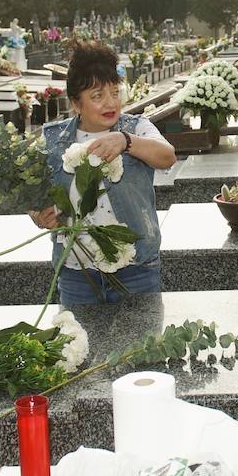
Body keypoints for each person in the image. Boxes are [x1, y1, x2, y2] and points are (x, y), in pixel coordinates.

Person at [29, 40, 177, 305]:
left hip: (136, 269)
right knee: (78, 333)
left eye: (115, 92)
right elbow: (30, 191)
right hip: (77, 273)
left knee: (141, 334)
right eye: (97, 96)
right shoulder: (53, 139)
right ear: (76, 103)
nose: (110, 103)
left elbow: (167, 157)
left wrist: (125, 141)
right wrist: (38, 214)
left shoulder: (136, 127)